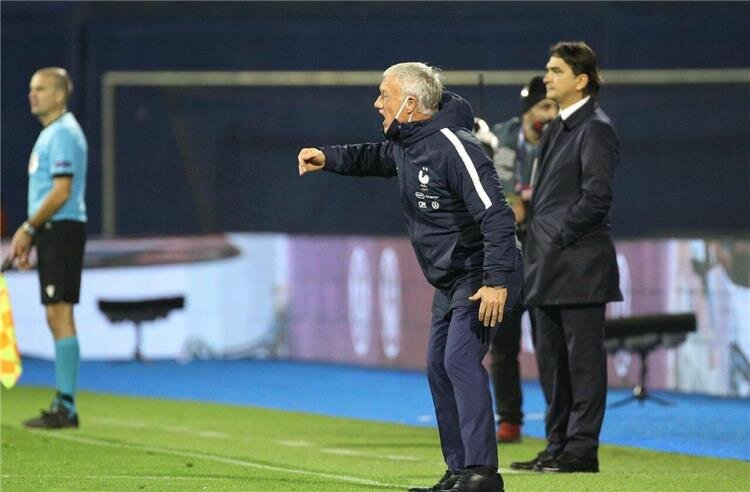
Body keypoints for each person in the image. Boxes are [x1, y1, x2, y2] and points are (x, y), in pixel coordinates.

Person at [298, 62, 522, 492]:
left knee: (459, 361)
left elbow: (497, 215)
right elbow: (374, 157)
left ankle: (482, 474)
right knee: (439, 367)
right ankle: (459, 471)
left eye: (384, 94)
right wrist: (328, 158)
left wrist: (496, 282)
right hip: (451, 279)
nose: (377, 103)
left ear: (411, 104)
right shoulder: (409, 143)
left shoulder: (455, 145)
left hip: (481, 272)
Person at [510, 42, 622, 473]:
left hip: (578, 265)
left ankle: (581, 449)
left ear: (581, 80)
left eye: (556, 70)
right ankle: (557, 444)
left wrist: (556, 237)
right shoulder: (558, 126)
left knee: (583, 363)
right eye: (548, 69)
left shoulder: (595, 128)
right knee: (552, 362)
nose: (547, 77)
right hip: (547, 264)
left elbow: (596, 198)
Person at [475, 76, 558, 443]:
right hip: (507, 255)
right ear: (527, 111)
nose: (550, 115)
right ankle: (509, 419)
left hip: (545, 255)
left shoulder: (561, 140)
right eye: (544, 107)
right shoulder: (500, 138)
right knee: (504, 344)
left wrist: (532, 207)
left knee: (549, 344)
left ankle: (559, 421)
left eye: (554, 107)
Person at [8, 67, 88, 429]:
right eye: (31, 88)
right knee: (55, 313)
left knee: (60, 313)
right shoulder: (52, 133)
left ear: (59, 95)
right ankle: (63, 400)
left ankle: (66, 406)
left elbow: (61, 192)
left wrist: (28, 229)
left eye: (40, 88)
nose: (32, 95)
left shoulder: (63, 133)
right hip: (53, 231)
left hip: (62, 229)